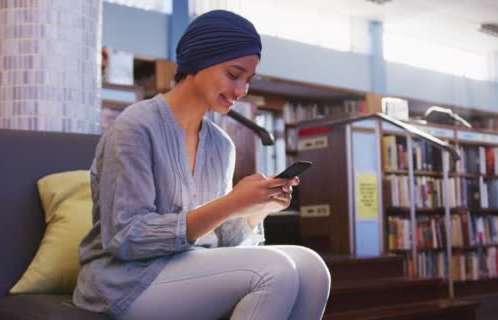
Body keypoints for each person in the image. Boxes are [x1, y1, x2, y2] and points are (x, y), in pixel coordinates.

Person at [73, 9, 331, 320]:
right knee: (275, 271)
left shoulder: (221, 145)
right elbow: (126, 239)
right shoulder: (135, 128)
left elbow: (224, 243)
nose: (242, 91)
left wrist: (254, 210)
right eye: (233, 75)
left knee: (312, 268)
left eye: (248, 80)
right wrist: (229, 203)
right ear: (199, 61)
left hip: (188, 266)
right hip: (126, 280)